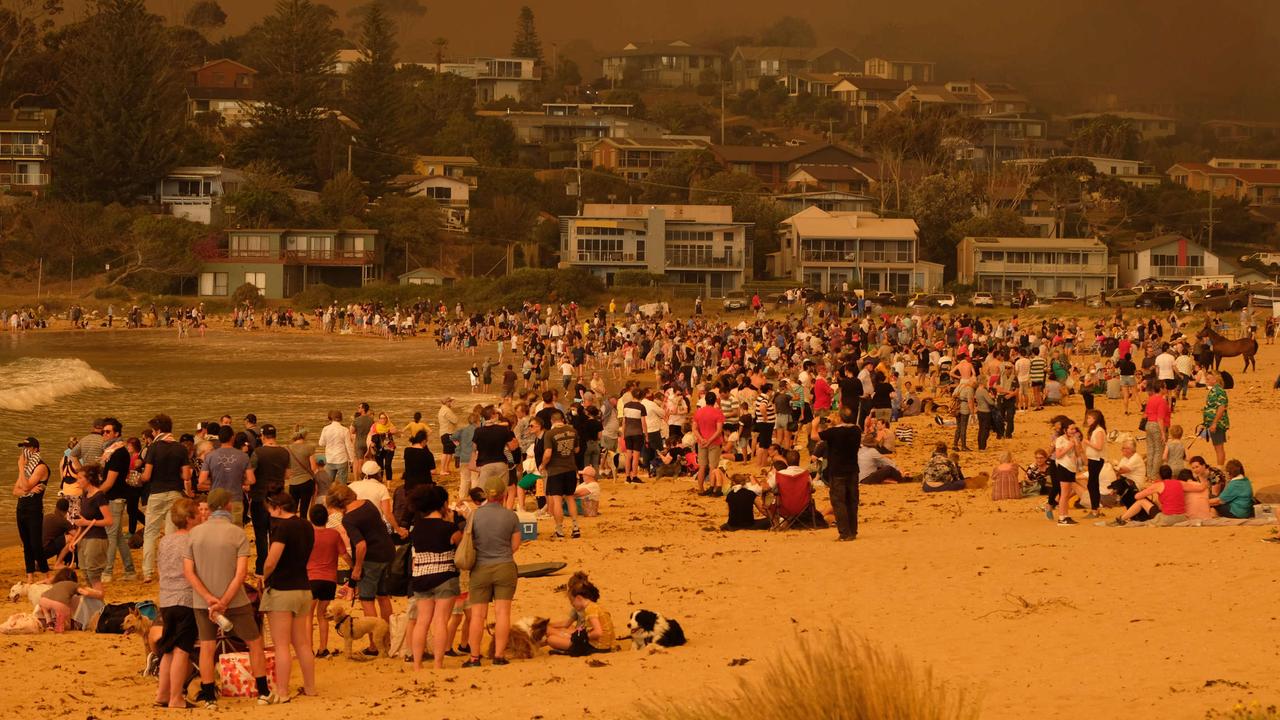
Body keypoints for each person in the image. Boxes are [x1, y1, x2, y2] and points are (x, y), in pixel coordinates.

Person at [184, 488, 270, 709]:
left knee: (207, 646)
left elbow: (189, 572)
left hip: (203, 601)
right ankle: (263, 691)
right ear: (228, 506)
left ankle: (209, 695)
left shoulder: (194, 534)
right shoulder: (237, 533)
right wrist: (224, 601)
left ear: (209, 508)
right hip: (235, 599)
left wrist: (209, 598)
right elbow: (240, 574)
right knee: (254, 642)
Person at [260, 492, 316, 703]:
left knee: (281, 644)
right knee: (302, 643)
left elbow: (271, 561)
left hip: (282, 590)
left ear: (279, 508)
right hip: (303, 588)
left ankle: (282, 691)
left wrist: (263, 576)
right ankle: (310, 687)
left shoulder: (282, 528)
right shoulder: (306, 525)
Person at [464, 475, 521, 667]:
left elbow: (469, 542)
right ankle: (498, 655)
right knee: (502, 613)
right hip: (505, 565)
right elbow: (515, 545)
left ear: (486, 494)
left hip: (480, 567)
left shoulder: (475, 515)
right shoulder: (510, 515)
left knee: (478, 615)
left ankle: (474, 657)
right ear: (504, 494)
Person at [328, 483, 396, 633]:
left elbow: (361, 545)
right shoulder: (368, 504)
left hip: (371, 558)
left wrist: (357, 568)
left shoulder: (349, 519)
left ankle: (374, 644)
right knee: (383, 596)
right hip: (387, 552)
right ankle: (390, 636)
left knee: (367, 600)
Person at [408, 485, 461, 671]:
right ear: (443, 504)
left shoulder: (416, 529)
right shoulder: (449, 527)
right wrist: (452, 521)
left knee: (422, 621)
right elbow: (460, 546)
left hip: (421, 576)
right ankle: (438, 663)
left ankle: (417, 663)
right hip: (445, 575)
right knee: (440, 620)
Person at [154, 498, 201, 708]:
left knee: (168, 648)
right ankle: (176, 697)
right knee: (182, 649)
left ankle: (162, 695)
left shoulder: (165, 541)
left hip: (166, 598)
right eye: (198, 514)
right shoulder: (193, 541)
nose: (201, 516)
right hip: (186, 599)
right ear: (190, 518)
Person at [141, 414, 193, 582]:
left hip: (156, 493)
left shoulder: (153, 448)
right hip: (175, 493)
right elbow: (186, 475)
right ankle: (169, 571)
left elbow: (147, 475)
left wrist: (139, 478)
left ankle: (148, 572)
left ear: (157, 430)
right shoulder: (180, 448)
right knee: (172, 535)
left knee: (150, 533)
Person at [305, 504, 348, 659]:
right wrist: (355, 568)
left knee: (308, 615)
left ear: (310, 519)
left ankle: (307, 649)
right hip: (329, 579)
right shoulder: (334, 534)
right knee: (322, 615)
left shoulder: (307, 534)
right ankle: (323, 648)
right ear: (327, 518)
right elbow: (344, 554)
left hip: (311, 578)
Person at [815, 408, 861, 541]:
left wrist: (815, 424)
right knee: (852, 501)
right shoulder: (856, 430)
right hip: (852, 469)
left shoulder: (834, 432)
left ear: (840, 418)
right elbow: (844, 429)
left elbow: (815, 436)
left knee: (839, 502)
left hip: (838, 471)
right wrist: (833, 423)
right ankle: (852, 531)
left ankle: (844, 533)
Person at [99, 418, 136, 582]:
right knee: (118, 536)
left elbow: (109, 482)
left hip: (115, 498)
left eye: (108, 431)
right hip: (114, 498)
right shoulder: (111, 452)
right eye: (103, 432)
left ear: (116, 433)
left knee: (111, 536)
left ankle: (107, 572)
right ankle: (130, 571)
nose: (104, 434)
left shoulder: (118, 453)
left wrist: (94, 495)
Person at [546, 571, 614, 656]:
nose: (572, 604)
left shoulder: (590, 609)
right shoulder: (596, 606)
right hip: (604, 646)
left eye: (572, 601)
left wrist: (582, 637)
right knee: (566, 635)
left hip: (596, 647)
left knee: (551, 640)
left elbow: (598, 632)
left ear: (578, 598)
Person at [13, 437, 50, 582]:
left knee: (35, 544)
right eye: (23, 448)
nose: (24, 451)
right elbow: (15, 490)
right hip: (21, 508)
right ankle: (30, 576)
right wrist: (26, 490)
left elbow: (26, 485)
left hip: (34, 509)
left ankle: (46, 573)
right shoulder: (28, 468)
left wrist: (21, 467)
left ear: (35, 449)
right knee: (26, 543)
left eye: (27, 448)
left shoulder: (40, 467)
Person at [540, 410, 581, 539]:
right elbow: (577, 449)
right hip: (570, 468)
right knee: (570, 498)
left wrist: (543, 465)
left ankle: (559, 530)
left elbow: (548, 453)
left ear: (552, 421)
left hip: (555, 470)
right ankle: (575, 527)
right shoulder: (573, 431)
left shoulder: (550, 434)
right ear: (562, 420)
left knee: (557, 500)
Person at [72, 463, 111, 593]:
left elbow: (109, 520)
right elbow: (82, 523)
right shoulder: (85, 496)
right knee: (85, 573)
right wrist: (74, 541)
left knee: (93, 575)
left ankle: (99, 606)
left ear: (88, 479)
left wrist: (87, 522)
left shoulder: (99, 496)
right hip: (85, 538)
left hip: (96, 538)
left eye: (80, 478)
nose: (78, 481)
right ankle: (93, 606)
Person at [1114, 465, 1192, 526]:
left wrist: (1147, 490)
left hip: (1167, 517)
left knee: (1141, 501)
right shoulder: (1180, 483)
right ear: (1171, 474)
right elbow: (1201, 487)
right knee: (1156, 501)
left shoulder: (1158, 485)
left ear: (1160, 475)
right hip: (1181, 516)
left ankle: (1122, 519)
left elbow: (1137, 496)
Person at [692, 392, 725, 495]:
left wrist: (702, 439)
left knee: (702, 466)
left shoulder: (698, 412)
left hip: (701, 442)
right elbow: (719, 430)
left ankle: (701, 489)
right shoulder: (718, 413)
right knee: (713, 467)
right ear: (715, 400)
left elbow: (694, 429)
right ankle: (713, 488)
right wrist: (709, 440)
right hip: (714, 442)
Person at [286, 426, 319, 512]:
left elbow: (287, 470)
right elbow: (313, 467)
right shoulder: (309, 447)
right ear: (305, 435)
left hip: (293, 483)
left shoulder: (288, 448)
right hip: (306, 482)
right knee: (304, 510)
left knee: (293, 510)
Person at [1082, 410, 1107, 517]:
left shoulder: (1099, 431)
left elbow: (1099, 446)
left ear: (1095, 419)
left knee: (1092, 484)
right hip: (1093, 459)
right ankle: (1095, 508)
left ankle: (1095, 509)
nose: (1087, 420)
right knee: (1093, 484)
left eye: (1089, 418)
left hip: (1097, 459)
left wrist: (1087, 442)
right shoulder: (1095, 430)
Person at [1202, 371, 1229, 467]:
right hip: (1212, 422)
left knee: (1219, 447)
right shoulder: (1213, 390)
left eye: (1208, 379)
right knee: (1216, 446)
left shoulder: (1219, 391)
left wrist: (1214, 423)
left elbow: (1221, 407)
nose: (1206, 381)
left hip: (1218, 423)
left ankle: (1220, 468)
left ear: (1215, 379)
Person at [1143, 386, 1170, 481]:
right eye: (1165, 387)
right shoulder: (1162, 401)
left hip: (1149, 424)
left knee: (1150, 450)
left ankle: (1149, 474)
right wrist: (1163, 433)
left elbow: (1145, 414)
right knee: (1159, 451)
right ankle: (1154, 475)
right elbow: (1160, 418)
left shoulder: (1150, 399)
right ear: (1161, 388)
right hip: (1157, 426)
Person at [318, 410, 350, 485]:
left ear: (330, 418)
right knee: (343, 484)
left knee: (328, 484)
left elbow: (321, 443)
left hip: (330, 459)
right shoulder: (345, 430)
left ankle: (330, 496)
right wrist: (351, 459)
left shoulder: (325, 429)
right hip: (341, 458)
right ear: (341, 418)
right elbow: (349, 446)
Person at [437, 398, 461, 477]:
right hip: (447, 433)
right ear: (447, 402)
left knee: (449, 451)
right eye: (450, 401)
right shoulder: (446, 410)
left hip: (445, 433)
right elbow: (455, 420)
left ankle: (446, 468)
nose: (452, 402)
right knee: (446, 452)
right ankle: (442, 470)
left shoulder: (443, 409)